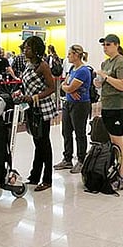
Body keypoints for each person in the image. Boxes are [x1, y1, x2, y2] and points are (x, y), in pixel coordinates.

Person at [15, 36, 57, 191]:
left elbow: (51, 87)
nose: (25, 50)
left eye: (28, 48)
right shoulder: (28, 65)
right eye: (25, 47)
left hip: (43, 109)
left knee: (44, 143)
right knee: (38, 143)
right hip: (32, 108)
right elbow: (27, 85)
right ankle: (34, 175)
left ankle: (47, 179)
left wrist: (35, 97)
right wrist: (21, 93)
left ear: (36, 50)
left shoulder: (43, 66)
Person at [94, 34, 123, 191]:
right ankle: (116, 171)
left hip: (119, 107)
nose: (105, 47)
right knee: (112, 142)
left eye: (108, 44)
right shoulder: (106, 63)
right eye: (104, 45)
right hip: (108, 106)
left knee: (119, 143)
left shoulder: (121, 62)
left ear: (116, 45)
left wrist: (106, 77)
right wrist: (99, 82)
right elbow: (105, 82)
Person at [54, 44, 91, 173]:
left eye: (70, 54)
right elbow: (65, 85)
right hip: (68, 103)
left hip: (80, 104)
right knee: (66, 131)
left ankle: (81, 159)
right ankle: (67, 158)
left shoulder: (83, 71)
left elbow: (68, 87)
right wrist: (68, 89)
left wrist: (68, 88)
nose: (68, 56)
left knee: (79, 133)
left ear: (76, 55)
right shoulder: (72, 68)